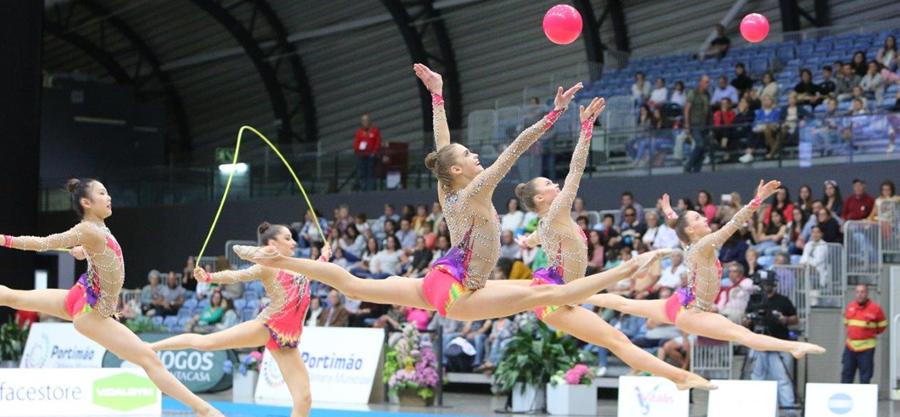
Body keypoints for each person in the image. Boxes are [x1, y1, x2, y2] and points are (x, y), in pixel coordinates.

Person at [233, 66, 666, 324]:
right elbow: (516, 147)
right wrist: (553, 115)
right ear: (459, 170)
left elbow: (443, 147)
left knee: (355, 283)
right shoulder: (475, 190)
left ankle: (275, 259)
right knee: (546, 295)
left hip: (440, 281)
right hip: (459, 290)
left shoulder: (449, 188)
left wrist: (437, 95)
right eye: (469, 155)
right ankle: (626, 269)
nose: (476, 154)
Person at [513, 104, 714, 390]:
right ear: (539, 199)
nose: (554, 183)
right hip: (556, 295)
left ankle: (679, 378)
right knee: (617, 340)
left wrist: (525, 241)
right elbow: (575, 170)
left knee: (617, 340)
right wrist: (586, 128)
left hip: (561, 294)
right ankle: (681, 377)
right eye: (547, 183)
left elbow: (535, 237)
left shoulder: (546, 222)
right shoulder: (556, 211)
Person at [0, 179, 223, 417]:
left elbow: (101, 253)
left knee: (14, 297)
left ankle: (202, 409)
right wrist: (4, 240)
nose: (109, 198)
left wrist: (84, 251)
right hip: (92, 311)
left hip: (82, 296)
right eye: (102, 193)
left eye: (107, 193)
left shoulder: (96, 229)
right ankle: (204, 410)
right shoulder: (86, 229)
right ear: (86, 202)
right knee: (150, 360)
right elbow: (44, 243)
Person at [587, 185, 825, 359]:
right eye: (698, 218)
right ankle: (793, 347)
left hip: (681, 302)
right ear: (691, 229)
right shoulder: (703, 245)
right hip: (693, 312)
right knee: (741, 334)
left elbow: (677, 225)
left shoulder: (688, 242)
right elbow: (734, 224)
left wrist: (669, 212)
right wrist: (757, 200)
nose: (704, 219)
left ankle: (581, 295)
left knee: (626, 304)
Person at [151, 222, 327, 417]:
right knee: (206, 342)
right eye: (287, 238)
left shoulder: (302, 268)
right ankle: (150, 347)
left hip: (288, 341)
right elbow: (237, 275)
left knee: (304, 398)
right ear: (273, 244)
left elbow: (320, 268)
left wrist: (324, 255)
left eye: (292, 238)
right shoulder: (268, 267)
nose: (293, 242)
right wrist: (208, 277)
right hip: (267, 327)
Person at [741, 276, 800, 414]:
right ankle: (759, 409)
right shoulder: (755, 299)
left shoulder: (783, 300)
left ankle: (789, 410)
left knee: (782, 378)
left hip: (778, 343)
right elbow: (746, 318)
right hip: (758, 343)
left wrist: (785, 319)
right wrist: (746, 321)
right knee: (757, 377)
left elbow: (795, 319)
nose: (766, 286)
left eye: (768, 283)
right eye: (764, 284)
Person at [842, 285, 887, 384]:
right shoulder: (850, 307)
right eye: (858, 292)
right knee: (846, 375)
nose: (860, 294)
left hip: (866, 349)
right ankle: (845, 395)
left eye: (862, 292)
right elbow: (846, 323)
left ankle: (863, 395)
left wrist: (870, 332)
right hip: (850, 347)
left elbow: (882, 325)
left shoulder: (875, 309)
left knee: (865, 378)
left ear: (867, 293)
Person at [684, 75, 712, 173]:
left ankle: (697, 170)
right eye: (706, 82)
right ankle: (688, 166)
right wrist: (687, 124)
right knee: (700, 145)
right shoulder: (693, 93)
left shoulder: (707, 95)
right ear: (700, 82)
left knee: (703, 148)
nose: (708, 84)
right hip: (694, 124)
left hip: (704, 125)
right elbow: (687, 109)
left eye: (708, 82)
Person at [354, 114, 381, 191]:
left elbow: (378, 143)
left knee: (371, 172)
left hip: (371, 155)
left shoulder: (375, 130)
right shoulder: (359, 132)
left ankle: (370, 189)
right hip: (361, 156)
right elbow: (356, 144)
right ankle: (363, 189)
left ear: (370, 121)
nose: (365, 122)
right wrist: (358, 151)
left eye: (366, 120)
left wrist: (374, 152)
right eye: (363, 121)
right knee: (362, 173)